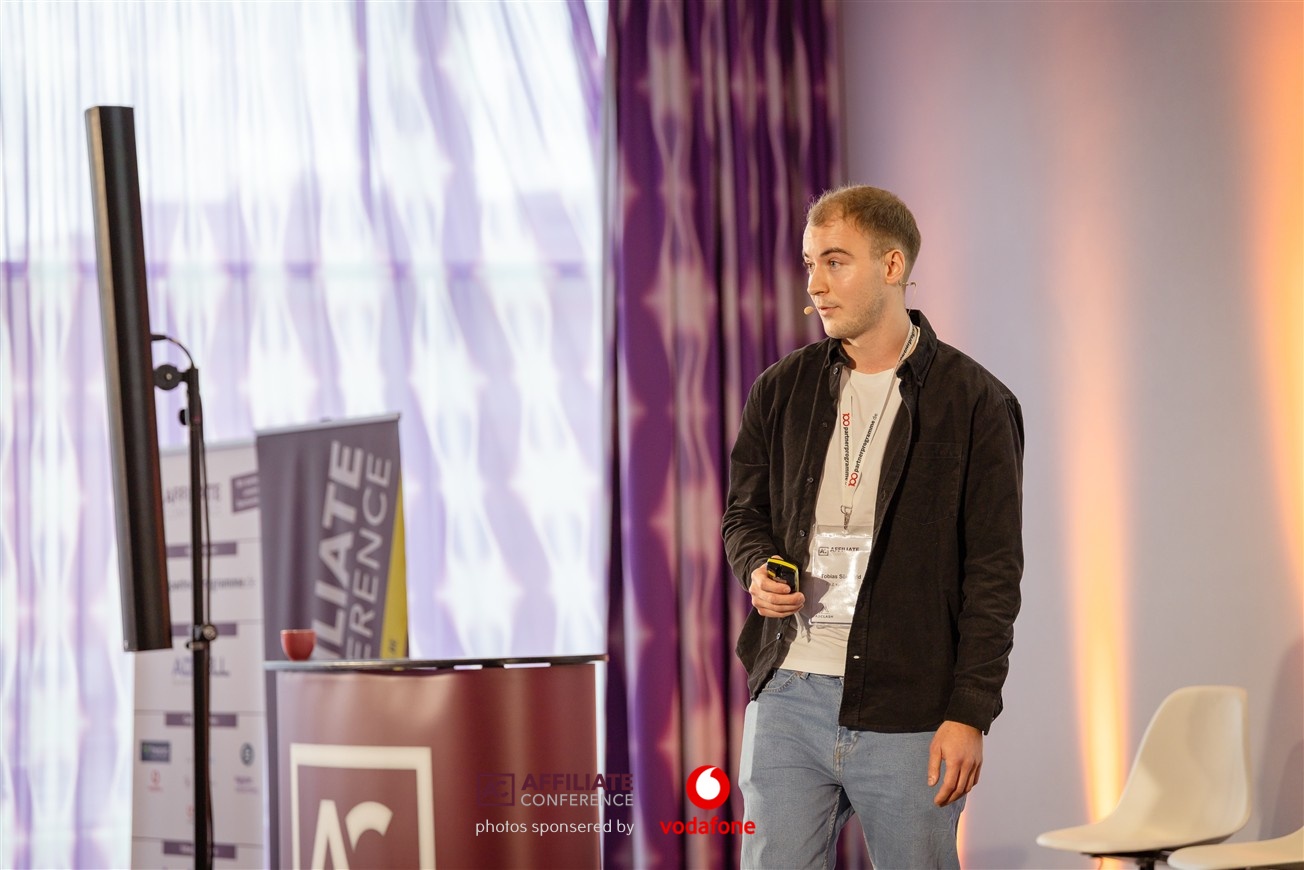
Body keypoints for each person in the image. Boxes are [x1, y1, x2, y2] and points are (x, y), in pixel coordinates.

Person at [722, 185, 1024, 869]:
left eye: (835, 262)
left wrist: (970, 711)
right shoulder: (782, 388)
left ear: (892, 266)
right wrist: (757, 567)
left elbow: (993, 575)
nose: (814, 285)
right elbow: (744, 512)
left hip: (911, 706)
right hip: (789, 693)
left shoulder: (975, 402)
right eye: (809, 264)